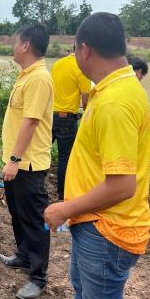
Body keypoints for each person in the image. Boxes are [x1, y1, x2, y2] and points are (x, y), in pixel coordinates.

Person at [44, 13, 150, 299]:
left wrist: (64, 209)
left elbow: (121, 185)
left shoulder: (114, 102)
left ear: (85, 49)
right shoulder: (115, 89)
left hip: (106, 230)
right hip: (94, 222)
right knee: (83, 292)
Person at [0, 24, 53, 299]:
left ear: (26, 45)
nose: (12, 45)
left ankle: (38, 277)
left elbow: (30, 122)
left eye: (15, 41)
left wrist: (15, 159)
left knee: (33, 219)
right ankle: (23, 255)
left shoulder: (39, 78)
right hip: (15, 162)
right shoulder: (25, 75)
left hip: (27, 164)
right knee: (17, 213)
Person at [51, 47, 90, 200]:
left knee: (40, 152)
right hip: (66, 119)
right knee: (64, 157)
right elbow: (86, 100)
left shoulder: (57, 64)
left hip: (49, 116)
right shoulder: (82, 69)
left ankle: (32, 185)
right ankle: (62, 193)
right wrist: (88, 119)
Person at [127, 55, 150, 167]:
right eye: (142, 77)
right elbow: (147, 122)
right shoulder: (138, 92)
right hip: (133, 148)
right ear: (139, 73)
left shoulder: (108, 87)